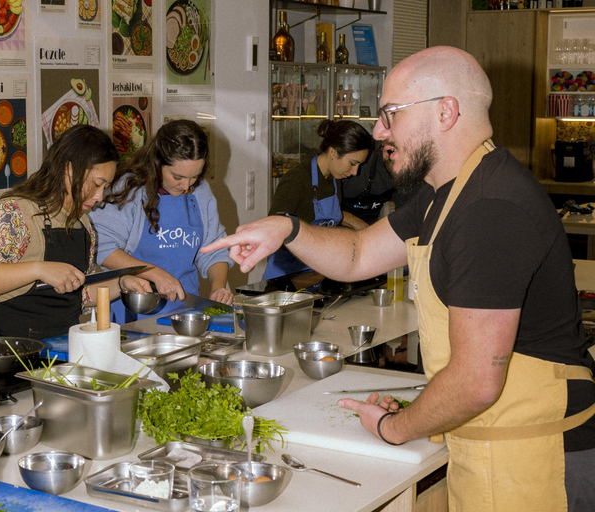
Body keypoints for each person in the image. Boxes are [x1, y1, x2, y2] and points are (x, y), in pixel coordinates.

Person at [202, 46, 595, 511]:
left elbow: (475, 382)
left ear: (446, 111)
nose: (378, 131)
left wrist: (394, 428)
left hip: (537, 459)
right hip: (493, 443)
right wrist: (286, 229)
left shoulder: (490, 208)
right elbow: (356, 253)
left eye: (390, 114)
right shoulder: (442, 194)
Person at [0, 124, 151, 340]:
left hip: (58, 355)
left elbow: (78, 295)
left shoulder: (83, 225)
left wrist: (121, 284)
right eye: (96, 184)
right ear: (69, 170)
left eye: (105, 187)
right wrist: (38, 269)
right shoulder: (14, 213)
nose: (100, 197)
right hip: (6, 355)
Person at [90, 119, 233, 323]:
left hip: (185, 314)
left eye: (194, 177)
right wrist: (153, 273)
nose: (185, 186)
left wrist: (218, 287)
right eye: (177, 177)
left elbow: (215, 249)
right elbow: (101, 247)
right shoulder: (128, 190)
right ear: (158, 162)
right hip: (133, 313)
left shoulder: (200, 193)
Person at [263, 119, 373, 279]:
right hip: (286, 275)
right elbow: (273, 230)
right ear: (334, 152)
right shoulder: (297, 179)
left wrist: (367, 235)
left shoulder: (334, 179)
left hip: (317, 271)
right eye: (352, 163)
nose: (355, 172)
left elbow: (337, 216)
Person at [341, 140, 419, 224]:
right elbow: (326, 207)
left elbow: (405, 216)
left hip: (369, 224)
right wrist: (361, 227)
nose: (404, 173)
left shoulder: (413, 172)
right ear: (386, 151)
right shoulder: (359, 154)